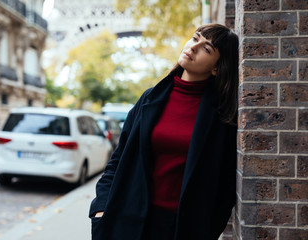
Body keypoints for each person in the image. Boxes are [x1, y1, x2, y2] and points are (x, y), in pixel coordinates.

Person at [89, 23, 239, 240]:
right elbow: (118, 160)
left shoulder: (222, 116)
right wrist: (100, 209)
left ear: (216, 67)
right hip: (127, 221)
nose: (194, 47)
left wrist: (206, 231)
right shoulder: (149, 99)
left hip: (183, 229)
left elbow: (225, 185)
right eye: (195, 38)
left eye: (207, 48)